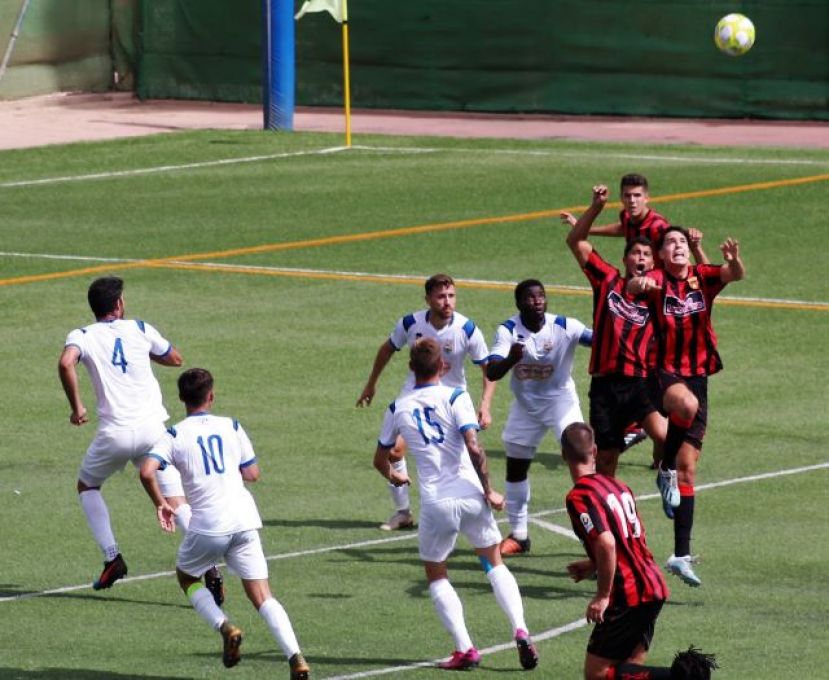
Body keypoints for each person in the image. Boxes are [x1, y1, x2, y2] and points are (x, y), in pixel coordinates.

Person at [373, 338, 538, 671]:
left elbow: (381, 459)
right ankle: (520, 629)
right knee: (494, 563)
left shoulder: (397, 407)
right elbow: (474, 447)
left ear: (411, 368)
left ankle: (465, 648)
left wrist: (395, 477)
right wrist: (489, 490)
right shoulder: (456, 396)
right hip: (470, 494)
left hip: (437, 503)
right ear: (443, 366)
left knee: (437, 574)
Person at [57, 276, 223, 602]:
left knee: (88, 486)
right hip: (153, 432)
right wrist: (143, 354)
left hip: (115, 433)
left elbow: (66, 362)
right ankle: (211, 566)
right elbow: (175, 358)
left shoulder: (82, 335)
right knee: (177, 501)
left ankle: (112, 557)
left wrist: (77, 408)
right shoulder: (140, 328)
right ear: (119, 304)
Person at [139, 368, 311, 679]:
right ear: (211, 396)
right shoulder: (231, 425)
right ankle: (296, 657)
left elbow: (147, 471)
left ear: (181, 398)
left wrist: (161, 503)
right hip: (244, 521)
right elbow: (252, 474)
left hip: (209, 525)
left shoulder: (174, 435)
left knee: (187, 578)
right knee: (263, 595)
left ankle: (225, 626)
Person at [628, 227, 745, 587]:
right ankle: (663, 466)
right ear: (661, 254)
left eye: (681, 241)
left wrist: (733, 260)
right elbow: (632, 287)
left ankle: (680, 555)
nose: (677, 246)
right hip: (662, 372)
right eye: (671, 243)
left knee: (688, 470)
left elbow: (735, 274)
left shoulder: (701, 277)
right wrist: (639, 283)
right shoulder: (656, 279)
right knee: (685, 405)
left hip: (698, 376)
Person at [562, 422, 718, 680]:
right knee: (630, 665)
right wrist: (593, 564)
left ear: (563, 454)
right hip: (653, 585)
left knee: (597, 673)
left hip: (628, 594)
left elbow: (607, 543)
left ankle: (683, 677)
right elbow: (629, 540)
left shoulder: (579, 496)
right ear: (595, 451)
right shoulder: (619, 487)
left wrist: (602, 595)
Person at [357, 273, 495, 531]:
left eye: (451, 296)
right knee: (394, 451)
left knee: (468, 454)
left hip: (452, 399)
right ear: (428, 299)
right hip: (416, 394)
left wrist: (485, 405)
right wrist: (371, 383)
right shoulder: (411, 323)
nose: (447, 301)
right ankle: (403, 513)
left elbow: (489, 369)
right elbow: (387, 348)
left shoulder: (467, 329)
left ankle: (484, 505)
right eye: (441, 296)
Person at [565, 184, 667, 477]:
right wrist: (596, 208)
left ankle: (667, 477)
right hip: (605, 386)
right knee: (607, 458)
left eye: (646, 254)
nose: (640, 258)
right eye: (635, 253)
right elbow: (576, 241)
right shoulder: (607, 280)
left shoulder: (659, 294)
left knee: (665, 436)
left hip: (639, 382)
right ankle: (607, 498)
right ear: (625, 260)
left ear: (653, 262)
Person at [486, 279, 592, 555]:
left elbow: (598, 341)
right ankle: (519, 536)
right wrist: (512, 358)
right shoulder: (508, 330)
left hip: (561, 402)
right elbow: (492, 372)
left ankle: (595, 535)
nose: (537, 301)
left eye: (541, 296)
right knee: (516, 467)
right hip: (526, 406)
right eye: (530, 298)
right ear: (519, 303)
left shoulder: (565, 326)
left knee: (580, 455)